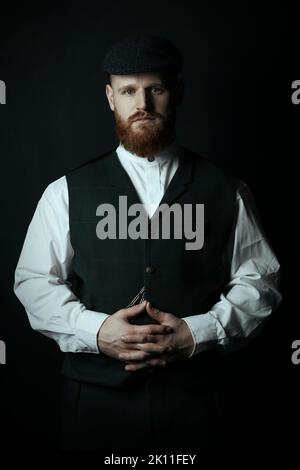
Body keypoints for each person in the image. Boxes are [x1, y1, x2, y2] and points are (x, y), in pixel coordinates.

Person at [14, 34, 282, 451]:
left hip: (197, 405)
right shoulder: (66, 191)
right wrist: (96, 329)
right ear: (110, 98)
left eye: (154, 89)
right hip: (97, 405)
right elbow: (33, 281)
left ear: (176, 92)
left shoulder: (226, 190)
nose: (142, 103)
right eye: (128, 91)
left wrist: (198, 333)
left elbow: (261, 282)